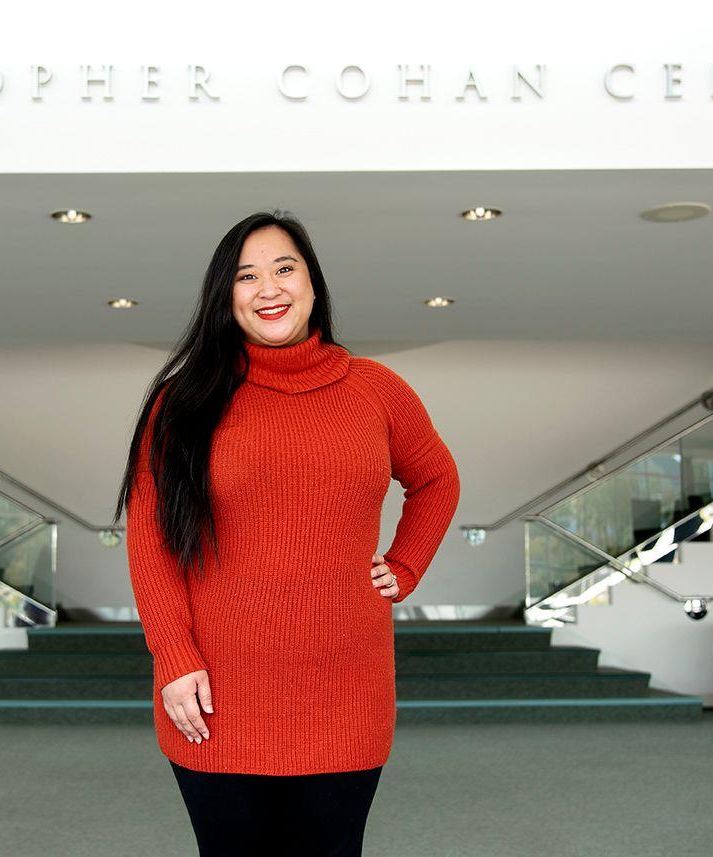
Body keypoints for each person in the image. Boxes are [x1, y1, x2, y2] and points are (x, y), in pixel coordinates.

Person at [112, 209, 461, 856]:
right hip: (216, 691)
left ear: (312, 282)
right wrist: (174, 655)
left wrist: (405, 564)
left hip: (344, 689)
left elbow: (437, 480)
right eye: (246, 276)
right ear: (225, 296)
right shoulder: (183, 399)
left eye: (283, 268)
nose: (267, 288)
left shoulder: (376, 390)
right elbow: (151, 538)